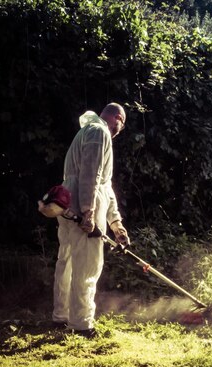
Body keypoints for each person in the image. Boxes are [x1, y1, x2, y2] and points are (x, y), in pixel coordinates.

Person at [52, 103, 129, 337]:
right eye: (122, 126)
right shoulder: (100, 132)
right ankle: (82, 325)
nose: (119, 132)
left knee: (66, 261)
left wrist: (116, 224)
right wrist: (88, 213)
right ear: (117, 118)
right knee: (86, 264)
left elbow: (104, 185)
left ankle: (61, 316)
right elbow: (90, 176)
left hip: (67, 203)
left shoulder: (88, 131)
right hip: (82, 206)